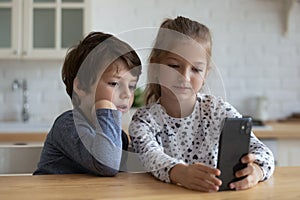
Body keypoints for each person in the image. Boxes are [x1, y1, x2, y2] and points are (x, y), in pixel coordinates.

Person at [129, 16, 274, 192]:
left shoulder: (218, 110)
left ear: (205, 74)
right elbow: (151, 156)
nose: (185, 77)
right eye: (174, 66)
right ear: (155, 68)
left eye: (196, 69)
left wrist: (256, 171)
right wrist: (181, 173)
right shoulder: (143, 121)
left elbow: (263, 152)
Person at [34, 32, 142, 176]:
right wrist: (106, 109)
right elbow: (107, 165)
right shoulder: (68, 125)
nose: (127, 94)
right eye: (114, 83)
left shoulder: (118, 136)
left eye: (132, 86)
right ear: (81, 86)